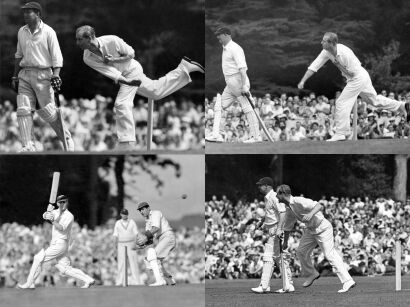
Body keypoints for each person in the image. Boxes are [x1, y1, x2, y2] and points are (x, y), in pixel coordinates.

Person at [75, 25, 204, 150]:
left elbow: (131, 54)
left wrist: (114, 60)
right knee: (156, 92)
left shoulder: (112, 40)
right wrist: (126, 81)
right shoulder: (87, 57)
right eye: (77, 39)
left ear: (90, 37)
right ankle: (184, 68)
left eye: (80, 39)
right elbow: (109, 71)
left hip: (132, 70)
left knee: (121, 103)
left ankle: (127, 141)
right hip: (124, 78)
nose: (77, 43)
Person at [297, 32, 409, 141]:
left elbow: (352, 74)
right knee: (374, 101)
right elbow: (314, 66)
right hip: (357, 77)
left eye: (324, 41)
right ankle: (402, 106)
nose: (321, 43)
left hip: (357, 77)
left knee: (341, 102)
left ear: (332, 43)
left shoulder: (345, 54)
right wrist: (302, 81)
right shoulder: (326, 52)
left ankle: (341, 133)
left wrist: (338, 65)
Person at [12, 2, 74, 152]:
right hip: (25, 73)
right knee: (23, 108)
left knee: (48, 112)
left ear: (38, 14)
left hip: (44, 74)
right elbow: (18, 55)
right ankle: (28, 145)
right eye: (24, 12)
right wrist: (15, 76)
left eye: (29, 12)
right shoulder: (21, 31)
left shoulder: (48, 32)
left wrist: (56, 75)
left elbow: (57, 57)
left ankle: (66, 139)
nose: (26, 14)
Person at [276, 185, 356, 293]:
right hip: (310, 230)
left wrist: (310, 213)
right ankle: (312, 273)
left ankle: (347, 281)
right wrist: (285, 242)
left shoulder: (299, 200)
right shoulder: (288, 209)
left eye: (277, 194)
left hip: (323, 227)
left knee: (329, 254)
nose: (276, 196)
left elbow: (319, 205)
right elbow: (288, 227)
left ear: (283, 194)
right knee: (301, 252)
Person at [17, 195, 94, 289]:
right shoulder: (55, 212)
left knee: (38, 258)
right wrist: (47, 212)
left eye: (64, 202)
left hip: (61, 243)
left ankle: (29, 283)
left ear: (67, 202)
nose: (62, 204)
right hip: (58, 243)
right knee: (65, 268)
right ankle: (88, 280)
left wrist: (52, 220)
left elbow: (61, 227)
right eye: (60, 202)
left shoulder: (69, 216)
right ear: (57, 203)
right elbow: (45, 216)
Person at [239, 177, 295, 293]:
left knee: (268, 257)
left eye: (260, 185)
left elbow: (282, 213)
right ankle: (288, 285)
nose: (259, 187)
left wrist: (279, 229)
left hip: (276, 230)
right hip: (273, 229)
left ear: (267, 186)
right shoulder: (268, 198)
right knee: (279, 258)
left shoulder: (274, 196)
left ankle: (265, 286)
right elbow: (271, 213)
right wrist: (262, 222)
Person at [205, 27, 261, 143]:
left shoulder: (235, 48)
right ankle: (216, 136)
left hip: (238, 80)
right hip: (230, 83)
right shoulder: (225, 48)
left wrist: (244, 85)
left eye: (219, 35)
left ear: (226, 35)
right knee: (218, 107)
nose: (217, 37)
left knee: (247, 108)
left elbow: (243, 68)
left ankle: (255, 137)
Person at [136, 202, 176, 286]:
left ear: (148, 208)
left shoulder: (155, 213)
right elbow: (150, 239)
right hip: (162, 239)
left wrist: (144, 238)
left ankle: (160, 281)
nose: (141, 212)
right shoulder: (147, 221)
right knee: (150, 259)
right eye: (140, 210)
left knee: (152, 256)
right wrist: (142, 244)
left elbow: (156, 228)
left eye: (143, 209)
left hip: (168, 236)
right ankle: (169, 279)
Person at [113, 208, 142, 285]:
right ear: (120, 214)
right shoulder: (118, 223)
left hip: (130, 243)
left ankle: (136, 281)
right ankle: (119, 281)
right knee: (121, 263)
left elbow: (136, 234)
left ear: (127, 214)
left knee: (133, 263)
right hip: (121, 244)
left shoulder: (132, 222)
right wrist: (114, 246)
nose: (124, 215)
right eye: (123, 214)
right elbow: (115, 235)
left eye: (125, 214)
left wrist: (134, 244)